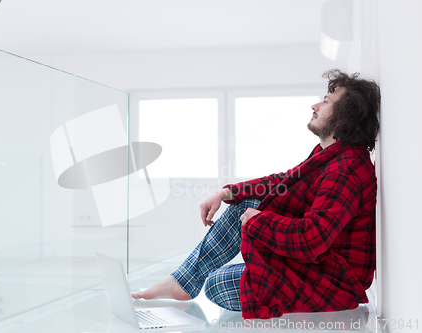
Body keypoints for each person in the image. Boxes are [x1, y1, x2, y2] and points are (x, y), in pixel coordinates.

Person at [132, 69, 381, 320]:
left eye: (326, 101)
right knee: (245, 205)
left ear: (345, 117)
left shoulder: (346, 170)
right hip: (319, 268)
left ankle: (184, 282)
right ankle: (182, 282)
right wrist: (227, 192)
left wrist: (258, 221)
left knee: (216, 284)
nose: (315, 105)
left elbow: (311, 238)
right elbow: (282, 181)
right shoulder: (329, 155)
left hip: (334, 283)